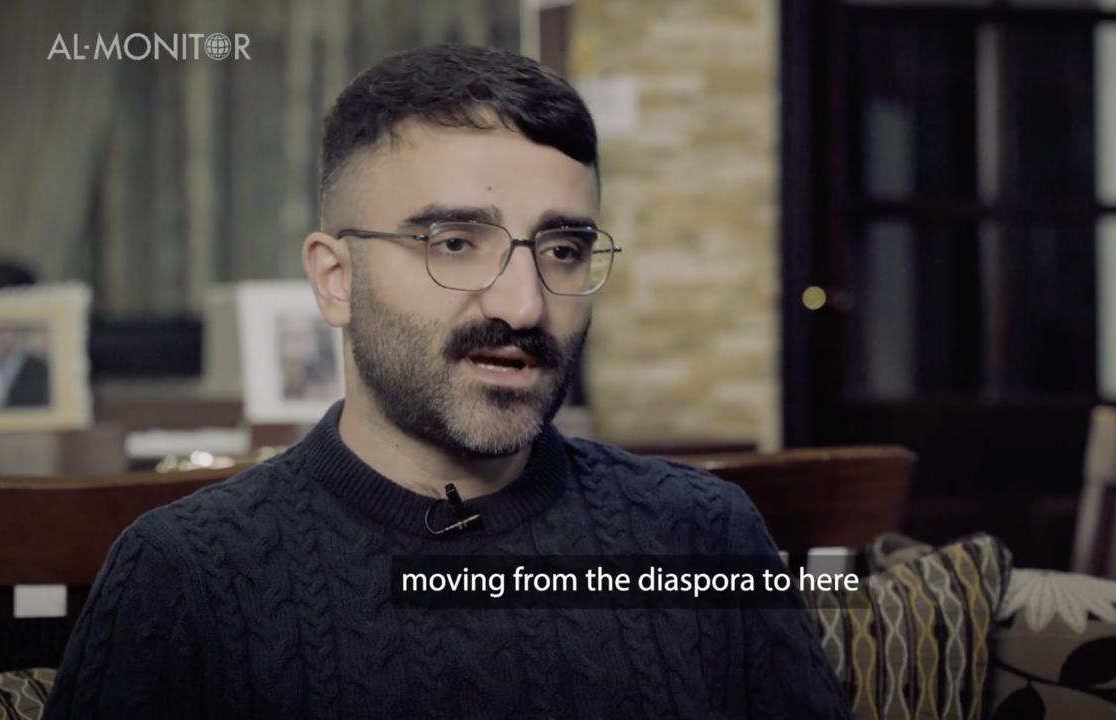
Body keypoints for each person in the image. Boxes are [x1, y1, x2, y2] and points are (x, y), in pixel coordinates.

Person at [44, 44, 852, 719]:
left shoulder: (703, 534)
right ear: (335, 279)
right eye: (455, 242)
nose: (524, 302)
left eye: (562, 250)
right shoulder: (184, 576)